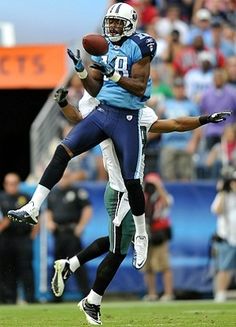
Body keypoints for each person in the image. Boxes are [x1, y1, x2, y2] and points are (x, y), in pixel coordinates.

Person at [50, 87, 230, 325]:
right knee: (118, 251)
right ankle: (91, 301)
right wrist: (64, 104)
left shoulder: (141, 114)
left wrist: (204, 119)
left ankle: (69, 265)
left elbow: (175, 123)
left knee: (119, 242)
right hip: (119, 191)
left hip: (131, 190)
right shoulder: (104, 113)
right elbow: (78, 119)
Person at [8, 2, 158, 273]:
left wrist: (113, 73)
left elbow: (137, 87)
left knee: (132, 181)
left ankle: (140, 233)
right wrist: (81, 70)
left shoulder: (141, 45)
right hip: (104, 111)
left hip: (127, 116)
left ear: (131, 24)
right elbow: (96, 87)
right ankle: (33, 206)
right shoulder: (105, 48)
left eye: (117, 23)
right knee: (63, 149)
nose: (112, 28)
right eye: (109, 23)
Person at [46, 168, 92, 301]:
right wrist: (49, 222)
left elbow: (88, 209)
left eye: (66, 176)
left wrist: (81, 226)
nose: (64, 179)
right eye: (62, 177)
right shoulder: (53, 194)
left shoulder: (78, 192)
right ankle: (56, 296)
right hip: (59, 233)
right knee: (58, 266)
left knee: (77, 263)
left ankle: (86, 294)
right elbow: (48, 211)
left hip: (72, 233)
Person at [0, 173, 38, 304]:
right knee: (7, 269)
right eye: (9, 183)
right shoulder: (1, 198)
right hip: (6, 239)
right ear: (5, 185)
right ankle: (9, 298)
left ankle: (30, 298)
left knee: (26, 269)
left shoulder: (25, 197)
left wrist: (32, 235)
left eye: (15, 183)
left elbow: (36, 217)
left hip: (23, 238)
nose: (12, 186)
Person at [142, 172, 174, 302]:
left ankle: (168, 293)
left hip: (160, 233)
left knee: (164, 265)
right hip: (146, 233)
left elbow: (167, 203)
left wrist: (158, 187)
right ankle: (152, 293)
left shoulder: (163, 197)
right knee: (147, 266)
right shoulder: (143, 196)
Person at [210, 168, 236, 302]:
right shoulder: (224, 196)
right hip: (228, 237)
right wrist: (222, 192)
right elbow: (216, 210)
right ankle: (220, 294)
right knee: (225, 268)